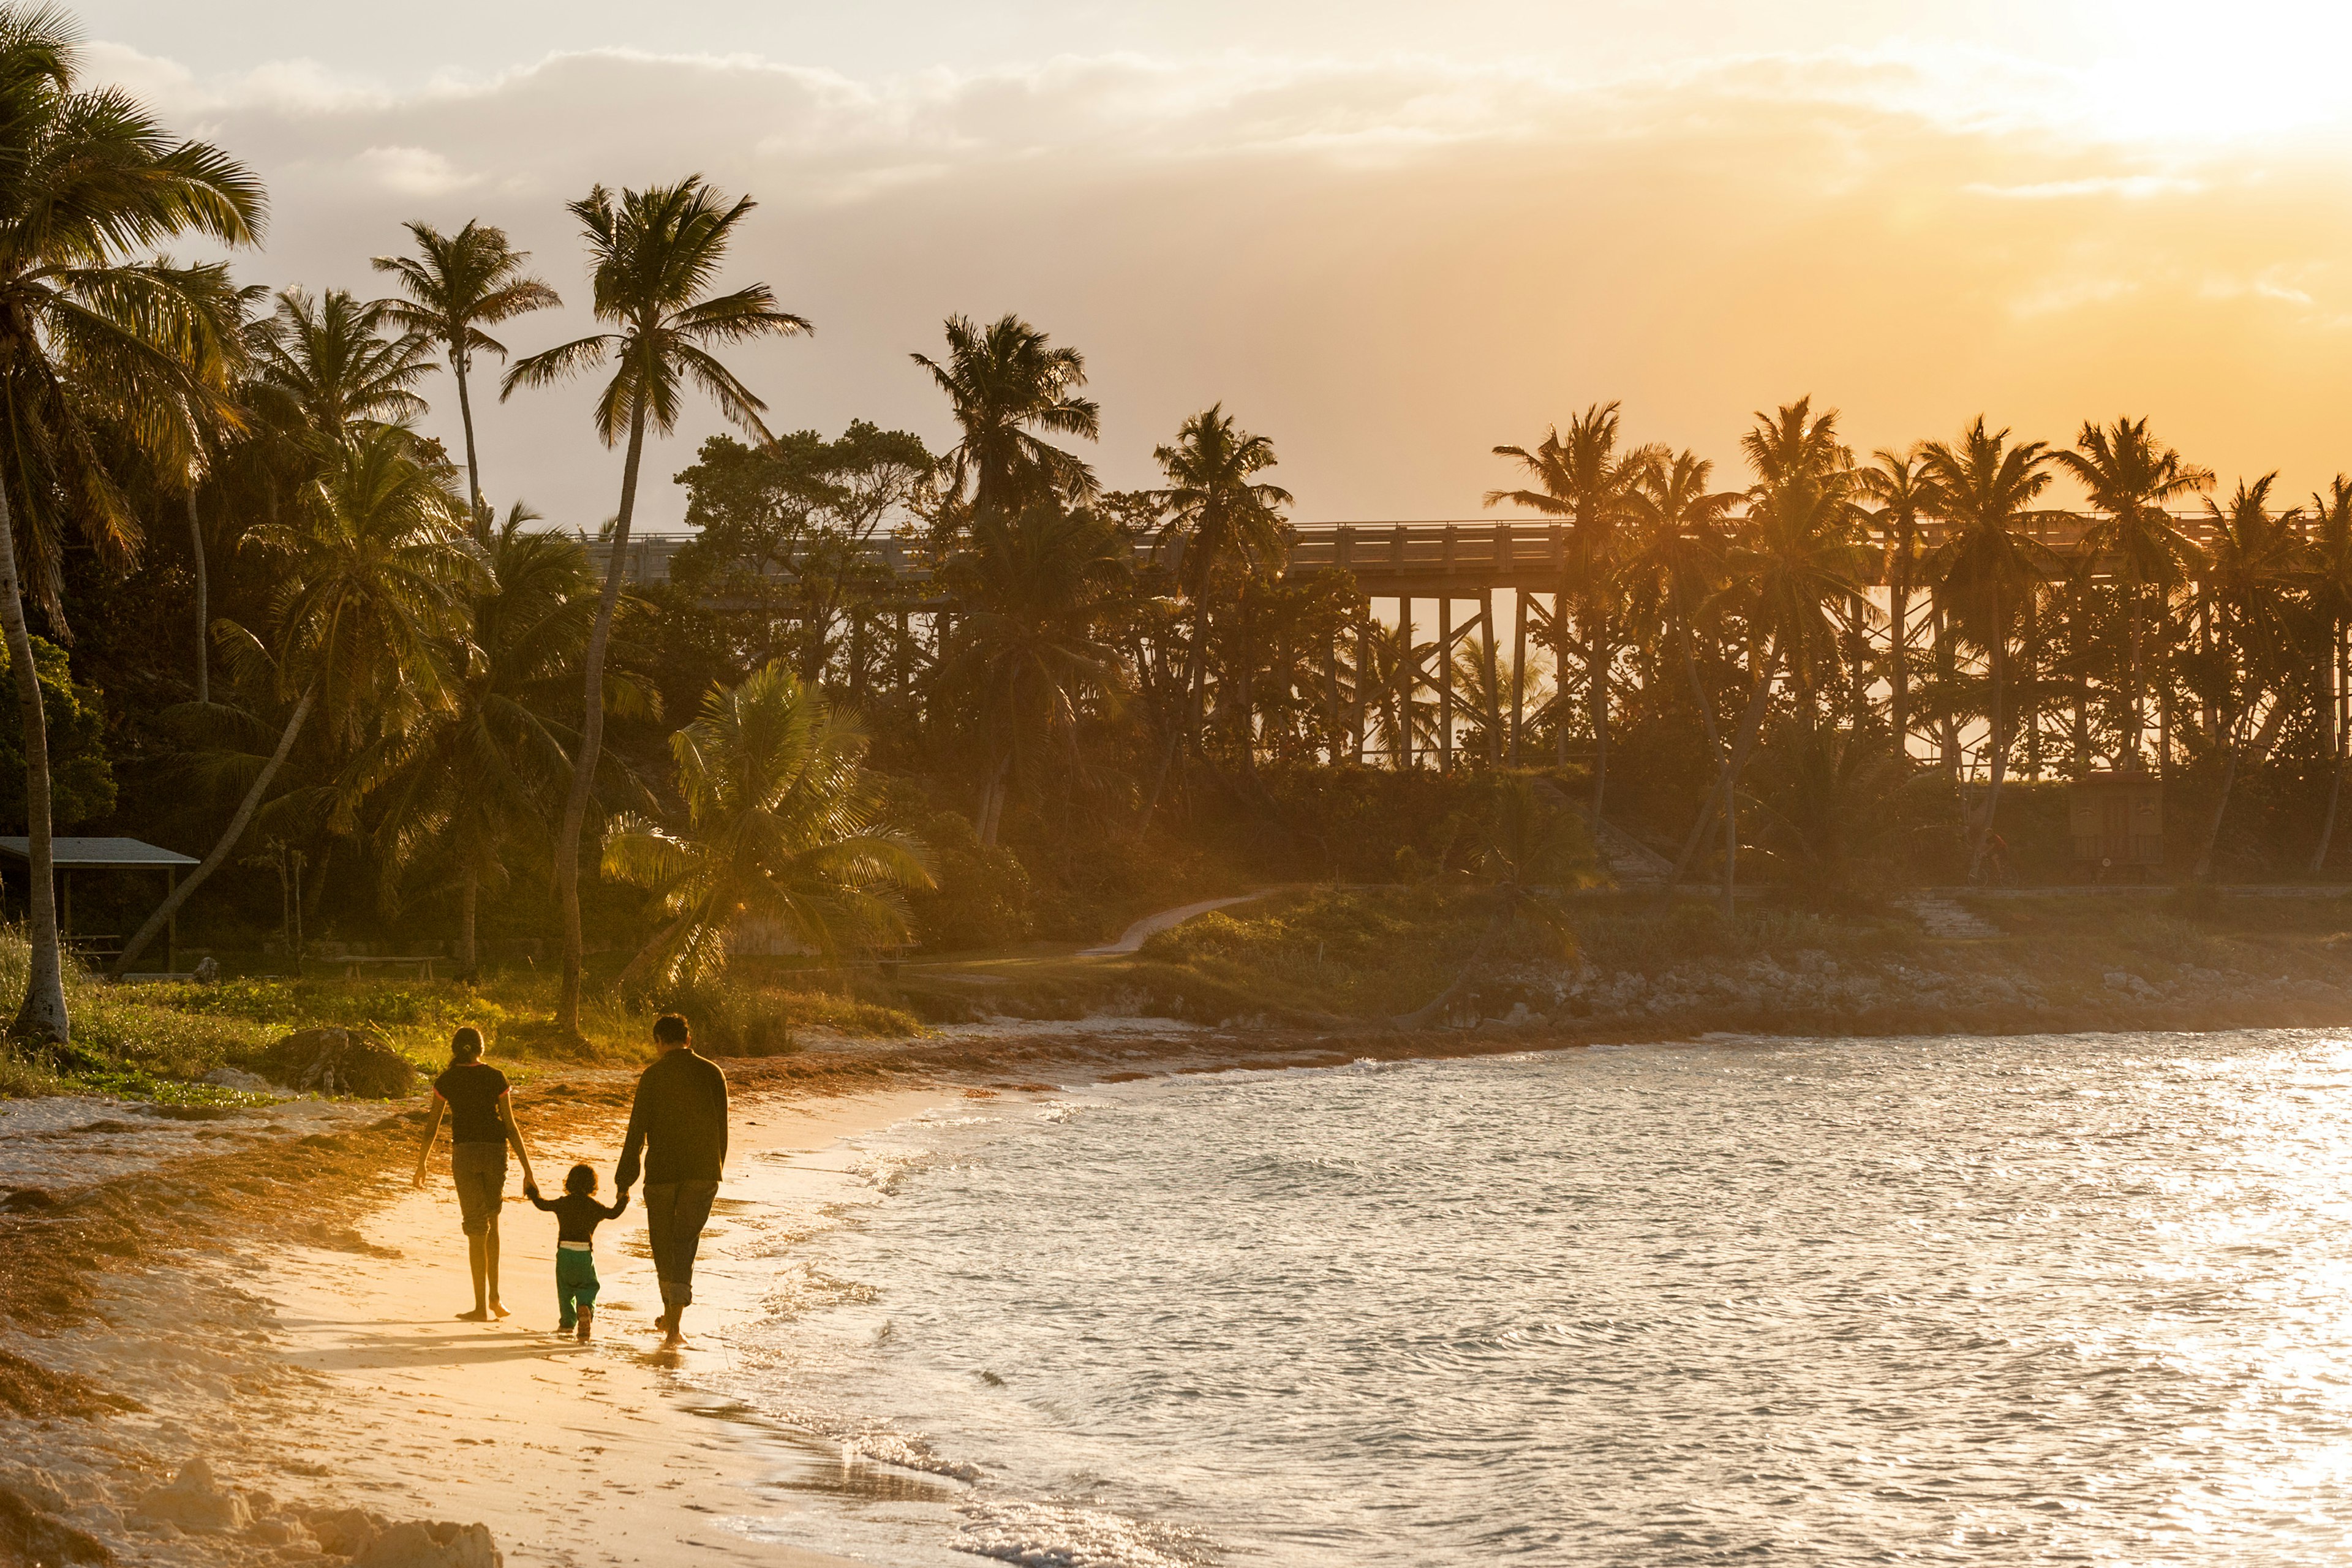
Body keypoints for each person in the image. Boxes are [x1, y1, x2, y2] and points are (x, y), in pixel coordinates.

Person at [614, 1013, 728, 1348]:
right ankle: (675, 1324)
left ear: (659, 1042)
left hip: (662, 1172)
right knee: (685, 1244)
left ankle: (671, 1319)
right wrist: (714, 1169)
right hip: (703, 1171)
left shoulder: (652, 1075)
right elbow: (722, 1131)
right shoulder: (713, 1073)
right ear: (688, 1040)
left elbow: (636, 1131)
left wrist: (625, 1180)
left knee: (663, 1244)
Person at [412, 1027, 537, 1322]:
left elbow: (432, 1126)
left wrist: (422, 1164)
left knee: (475, 1228)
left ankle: (480, 1307)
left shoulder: (447, 1079)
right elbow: (511, 1126)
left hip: (465, 1154)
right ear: (481, 1049)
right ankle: (495, 1299)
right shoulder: (496, 1077)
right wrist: (528, 1171)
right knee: (492, 1223)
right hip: (495, 1151)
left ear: (456, 1050)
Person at [524, 1163, 628, 1341]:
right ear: (592, 1185)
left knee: (565, 1290)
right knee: (588, 1286)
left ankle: (567, 1323)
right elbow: (613, 1214)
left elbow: (542, 1205)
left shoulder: (563, 1203)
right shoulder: (594, 1206)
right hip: (584, 1254)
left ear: (569, 1183)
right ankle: (585, 1308)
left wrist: (532, 1192)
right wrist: (624, 1198)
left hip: (564, 1253)